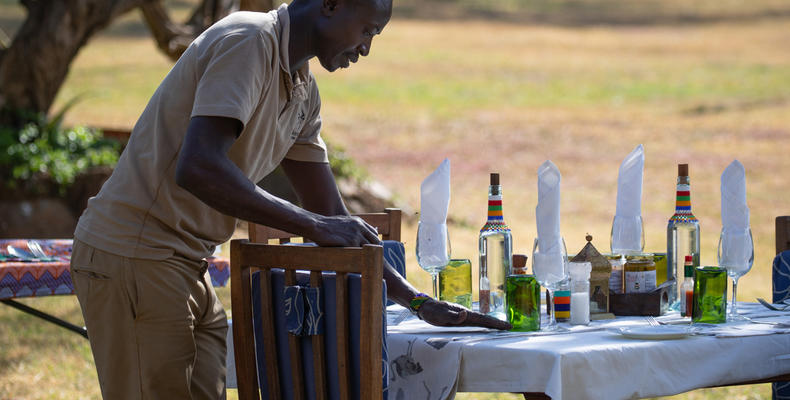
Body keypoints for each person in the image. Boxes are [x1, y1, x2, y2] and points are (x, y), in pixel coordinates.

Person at [70, 0, 511, 398]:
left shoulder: (303, 91)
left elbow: (332, 216)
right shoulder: (249, 41)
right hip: (135, 253)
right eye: (368, 31)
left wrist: (416, 299)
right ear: (331, 6)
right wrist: (316, 228)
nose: (366, 49)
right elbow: (199, 167)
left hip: (189, 264)